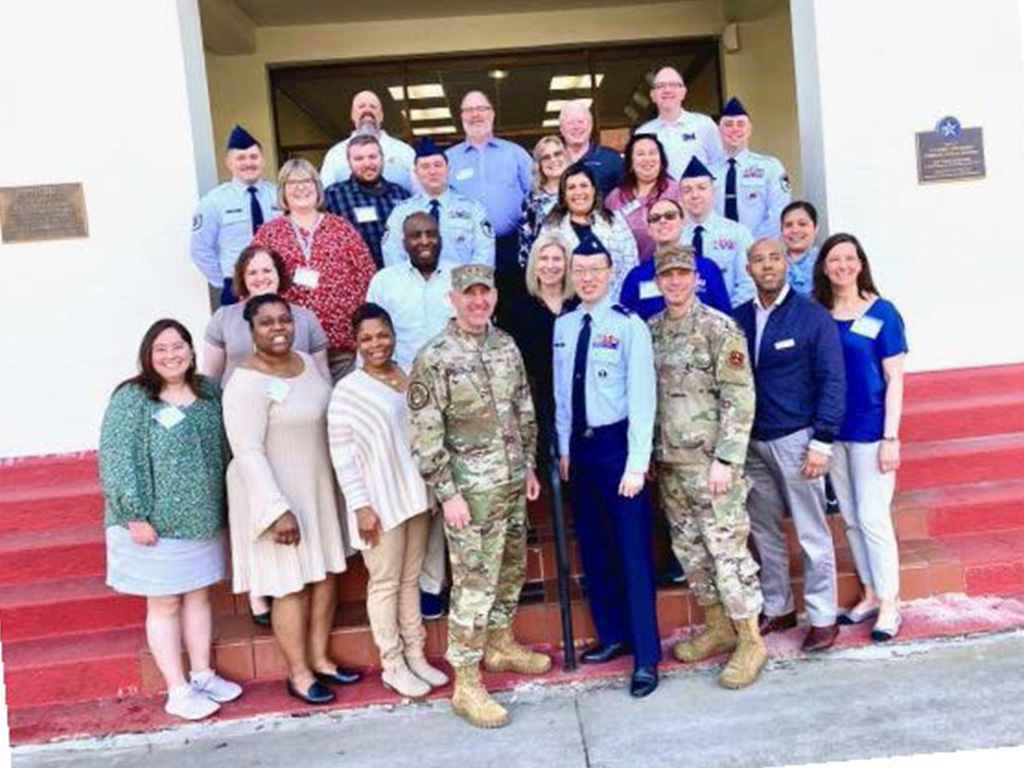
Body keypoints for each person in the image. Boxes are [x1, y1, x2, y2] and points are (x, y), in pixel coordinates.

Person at [408, 264, 548, 729]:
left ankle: (500, 644)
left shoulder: (505, 345)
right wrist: (447, 493)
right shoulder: (435, 357)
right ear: (452, 299)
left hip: (509, 485)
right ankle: (466, 683)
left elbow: (523, 408)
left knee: (510, 568)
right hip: (469, 494)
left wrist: (527, 464)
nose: (477, 301)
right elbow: (426, 437)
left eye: (484, 292)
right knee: (472, 586)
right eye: (468, 294)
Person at [99, 319, 242, 720]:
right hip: (153, 525)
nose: (170, 355)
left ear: (192, 351)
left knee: (199, 595)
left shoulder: (208, 392)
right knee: (164, 604)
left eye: (178, 346)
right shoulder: (132, 398)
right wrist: (134, 515)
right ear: (148, 355)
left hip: (202, 520)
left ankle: (202, 675)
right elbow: (116, 458)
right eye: (160, 349)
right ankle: (177, 691)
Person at [223, 294, 360, 706]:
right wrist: (276, 509)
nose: (278, 327)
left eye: (284, 319)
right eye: (267, 322)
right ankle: (299, 674)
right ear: (251, 330)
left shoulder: (303, 362)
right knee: (290, 587)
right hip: (277, 495)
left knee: (324, 576)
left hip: (315, 486)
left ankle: (320, 658)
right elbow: (246, 450)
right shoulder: (244, 382)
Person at [648, 244, 766, 689]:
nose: (675, 281)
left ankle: (750, 639)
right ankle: (717, 626)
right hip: (673, 466)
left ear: (695, 277)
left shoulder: (719, 328)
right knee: (692, 554)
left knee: (728, 553)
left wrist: (727, 459)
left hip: (713, 467)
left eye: (682, 274)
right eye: (667, 275)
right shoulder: (653, 330)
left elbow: (740, 397)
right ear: (658, 281)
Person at [552, 241, 661, 698]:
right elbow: (560, 393)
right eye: (580, 270)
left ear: (610, 272)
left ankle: (646, 657)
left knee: (632, 553)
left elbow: (642, 397)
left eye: (596, 269)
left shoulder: (629, 325)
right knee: (594, 549)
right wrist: (562, 447)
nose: (588, 277)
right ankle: (613, 634)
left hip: (617, 448)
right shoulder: (563, 324)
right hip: (580, 449)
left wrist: (637, 463)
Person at [327, 303, 450, 698]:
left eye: (382, 334)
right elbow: (342, 454)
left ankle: (416, 655)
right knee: (385, 582)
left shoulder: (408, 375)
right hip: (378, 503)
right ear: (356, 343)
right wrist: (360, 506)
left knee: (411, 579)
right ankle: (392, 663)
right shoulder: (348, 391)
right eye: (366, 338)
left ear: (393, 334)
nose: (376, 343)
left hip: (415, 494)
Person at [733, 237, 846, 652]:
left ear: (785, 264)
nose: (767, 265)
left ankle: (822, 617)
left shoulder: (811, 316)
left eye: (774, 258)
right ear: (748, 268)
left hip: (798, 441)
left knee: (812, 533)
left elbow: (833, 380)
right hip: (752, 443)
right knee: (764, 532)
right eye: (759, 260)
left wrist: (823, 440)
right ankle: (778, 606)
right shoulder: (738, 318)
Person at [814, 234, 908, 642]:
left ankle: (891, 602)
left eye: (849, 258)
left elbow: (895, 380)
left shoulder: (883, 313)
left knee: (873, 518)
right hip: (833, 434)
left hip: (871, 433)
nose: (842, 266)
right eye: (834, 259)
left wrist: (892, 437)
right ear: (824, 267)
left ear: (860, 263)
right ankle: (869, 593)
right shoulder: (819, 313)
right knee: (850, 519)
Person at [367, 212, 457, 618]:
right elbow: (370, 340)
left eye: (431, 234)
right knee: (424, 491)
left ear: (440, 238)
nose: (424, 240)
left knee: (459, 488)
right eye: (416, 235)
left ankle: (463, 579)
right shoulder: (385, 282)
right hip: (404, 399)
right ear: (403, 242)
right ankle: (429, 584)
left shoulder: (458, 275)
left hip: (459, 397)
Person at [252, 158, 376, 381]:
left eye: (307, 180)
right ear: (282, 191)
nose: (301, 187)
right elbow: (251, 280)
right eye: (292, 182)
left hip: (341, 345)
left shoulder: (341, 228)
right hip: (291, 345)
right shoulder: (268, 234)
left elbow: (366, 276)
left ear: (317, 186)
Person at [446, 91, 533, 326]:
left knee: (517, 312)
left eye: (481, 108)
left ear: (492, 114)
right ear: (461, 116)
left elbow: (534, 196)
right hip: (467, 250)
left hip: (511, 247)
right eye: (469, 110)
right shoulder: (449, 159)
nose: (475, 114)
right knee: (474, 312)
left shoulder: (515, 153)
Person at [202, 243, 330, 387]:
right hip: (238, 404)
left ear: (278, 274)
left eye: (267, 270)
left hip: (296, 404)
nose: (261, 278)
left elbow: (321, 374)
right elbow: (210, 378)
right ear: (243, 278)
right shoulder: (223, 318)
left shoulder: (306, 318)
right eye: (252, 273)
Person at [506, 234, 579, 458]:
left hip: (577, 403)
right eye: (543, 258)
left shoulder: (579, 305)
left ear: (568, 264)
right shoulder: (517, 309)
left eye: (557, 259)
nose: (549, 265)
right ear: (533, 264)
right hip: (538, 406)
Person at [191, 125, 280, 306]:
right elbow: (200, 250)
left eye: (254, 157)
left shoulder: (279, 196)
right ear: (229, 163)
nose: (248, 163)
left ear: (263, 161)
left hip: (276, 285)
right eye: (241, 158)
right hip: (236, 288)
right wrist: (227, 281)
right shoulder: (214, 202)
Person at [382, 138, 495, 269]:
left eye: (438, 165)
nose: (432, 171)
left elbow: (484, 253)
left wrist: (468, 287)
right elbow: (393, 255)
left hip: (461, 284)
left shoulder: (472, 209)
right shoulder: (401, 212)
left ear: (448, 169)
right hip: (417, 286)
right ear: (416, 173)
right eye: (425, 167)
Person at [538, 163, 638, 300]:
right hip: (567, 307)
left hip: (615, 303)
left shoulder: (615, 221)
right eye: (571, 187)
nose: (578, 192)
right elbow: (544, 271)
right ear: (564, 195)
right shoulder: (550, 228)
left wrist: (612, 302)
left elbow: (630, 263)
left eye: (584, 186)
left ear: (594, 190)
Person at [619, 199, 731, 319]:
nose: (663, 221)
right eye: (655, 218)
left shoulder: (707, 268)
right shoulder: (637, 275)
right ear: (649, 229)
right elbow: (625, 323)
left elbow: (724, 317)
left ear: (682, 222)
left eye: (670, 216)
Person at [324, 134, 411, 269]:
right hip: (356, 280)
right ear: (349, 162)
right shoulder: (333, 196)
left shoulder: (401, 194)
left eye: (373, 157)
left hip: (399, 278)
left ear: (382, 158)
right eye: (359, 158)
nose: (367, 163)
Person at [678, 157, 755, 307]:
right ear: (680, 197)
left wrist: (725, 319)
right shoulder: (676, 238)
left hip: (730, 319)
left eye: (701, 188)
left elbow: (748, 284)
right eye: (687, 190)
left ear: (713, 191)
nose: (695, 195)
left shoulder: (738, 233)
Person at [713, 97, 791, 239]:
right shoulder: (707, 171)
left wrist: (753, 245)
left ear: (749, 130)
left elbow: (779, 211)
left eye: (741, 124)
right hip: (719, 250)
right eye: (728, 124)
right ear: (719, 130)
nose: (735, 129)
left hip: (760, 250)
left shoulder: (770, 167)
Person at [636, 66, 724, 181]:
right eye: (660, 86)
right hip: (659, 199)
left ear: (683, 92)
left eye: (673, 85)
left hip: (697, 197)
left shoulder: (704, 125)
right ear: (653, 95)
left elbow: (720, 166)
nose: (667, 90)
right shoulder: (643, 133)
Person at [320, 90, 417, 193]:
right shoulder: (335, 154)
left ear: (381, 116)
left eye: (373, 107)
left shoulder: (405, 151)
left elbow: (420, 193)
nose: (367, 110)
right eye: (361, 106)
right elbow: (324, 194)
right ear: (352, 115)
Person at [605, 133, 678, 260]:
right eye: (640, 154)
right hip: (628, 272)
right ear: (630, 163)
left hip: (671, 269)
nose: (647, 159)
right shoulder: (615, 198)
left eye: (652, 153)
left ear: (661, 160)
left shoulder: (676, 191)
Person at [517, 135, 569, 267]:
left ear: (566, 157)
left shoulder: (579, 190)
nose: (553, 160)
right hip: (545, 270)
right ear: (538, 165)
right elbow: (526, 242)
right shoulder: (532, 199)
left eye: (557, 154)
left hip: (579, 269)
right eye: (546, 157)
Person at [559, 99, 624, 196]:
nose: (576, 127)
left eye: (580, 122)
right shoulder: (552, 162)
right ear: (561, 129)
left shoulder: (612, 159)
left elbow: (628, 194)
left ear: (590, 125)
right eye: (570, 123)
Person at [780, 200, 820, 295]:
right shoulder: (775, 265)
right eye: (788, 225)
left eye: (802, 224)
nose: (795, 230)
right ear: (781, 231)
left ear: (816, 228)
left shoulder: (825, 261)